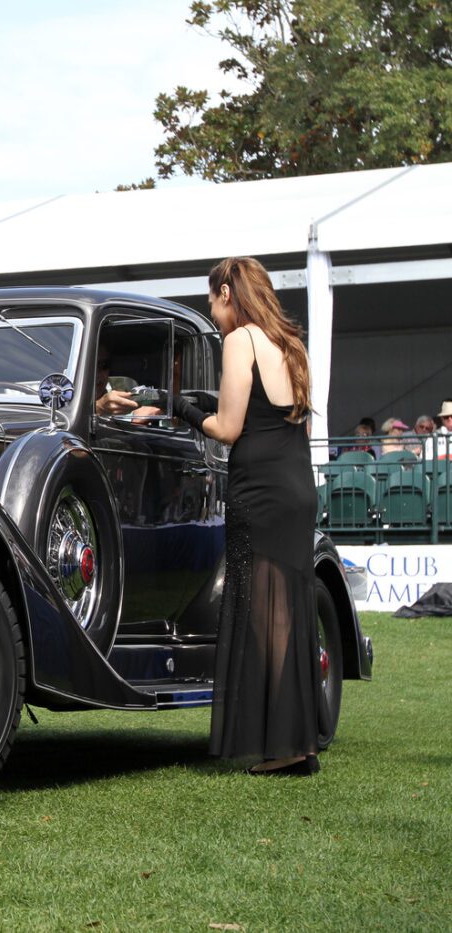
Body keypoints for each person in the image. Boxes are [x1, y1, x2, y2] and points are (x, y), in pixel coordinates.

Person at [168, 257, 322, 776]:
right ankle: (298, 740)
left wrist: (180, 408)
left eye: (212, 299)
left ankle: (286, 747)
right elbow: (291, 424)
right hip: (298, 487)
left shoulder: (241, 341)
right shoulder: (289, 344)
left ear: (228, 293)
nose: (211, 311)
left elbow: (229, 427)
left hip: (259, 490)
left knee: (266, 615)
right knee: (291, 612)